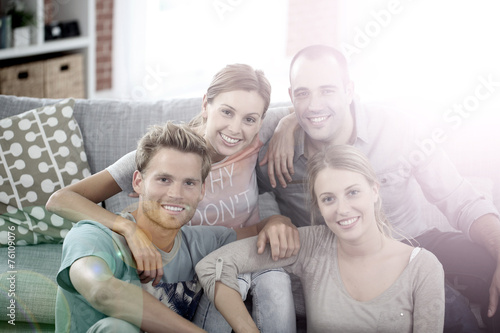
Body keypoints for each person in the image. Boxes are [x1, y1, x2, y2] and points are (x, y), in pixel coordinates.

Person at [257, 44, 500, 332]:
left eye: (327, 90)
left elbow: (460, 198)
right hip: (347, 263)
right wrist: (273, 217)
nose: (313, 104)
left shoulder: (399, 128)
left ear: (349, 91)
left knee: (488, 266)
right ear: (291, 97)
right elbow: (248, 185)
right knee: (445, 306)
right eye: (303, 93)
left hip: (414, 241)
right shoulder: (269, 138)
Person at [47, 64, 298, 332]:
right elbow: (61, 199)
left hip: (233, 253)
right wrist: (128, 228)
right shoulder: (167, 153)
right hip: (195, 265)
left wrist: (288, 125)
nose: (236, 128)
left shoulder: (258, 134)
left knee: (274, 280)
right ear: (206, 105)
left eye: (250, 119)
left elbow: (315, 106)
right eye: (226, 112)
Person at [196, 144, 445, 332]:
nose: (342, 209)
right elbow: (213, 265)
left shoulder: (423, 267)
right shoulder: (310, 245)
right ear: (318, 206)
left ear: (375, 190)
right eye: (328, 199)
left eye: (353, 192)